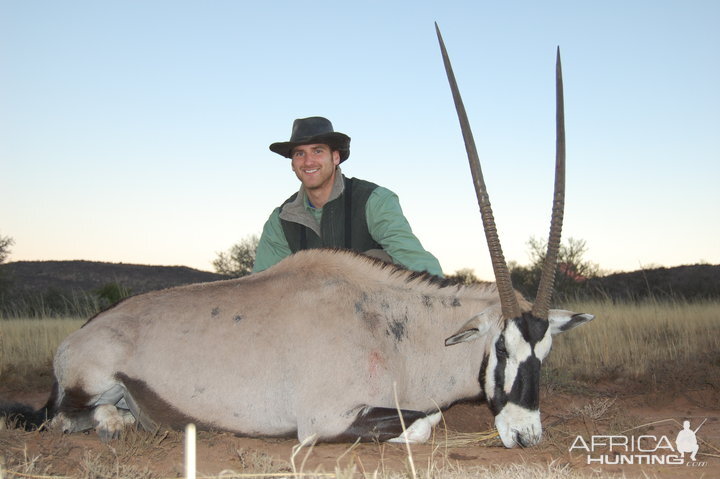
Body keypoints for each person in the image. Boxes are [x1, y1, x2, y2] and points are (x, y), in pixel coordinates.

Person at [253, 116, 443, 276]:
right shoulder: (280, 220)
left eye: (318, 151)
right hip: (308, 315)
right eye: (299, 154)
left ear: (335, 157)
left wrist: (447, 301)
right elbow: (263, 282)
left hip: (372, 313)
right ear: (293, 164)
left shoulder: (374, 200)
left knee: (378, 260)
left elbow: (413, 258)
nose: (308, 161)